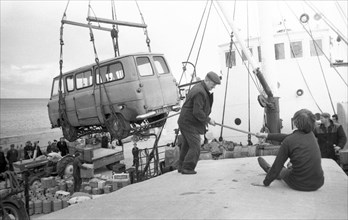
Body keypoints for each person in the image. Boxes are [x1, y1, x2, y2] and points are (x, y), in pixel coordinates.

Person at [254, 109, 324, 191]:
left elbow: (277, 165)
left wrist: (266, 183)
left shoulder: (289, 141)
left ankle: (269, 169)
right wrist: (266, 135)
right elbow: (288, 137)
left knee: (281, 170)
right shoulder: (311, 135)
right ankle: (290, 167)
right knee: (290, 164)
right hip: (318, 183)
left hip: (299, 184)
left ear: (295, 123)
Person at [177, 71, 221, 174]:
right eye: (213, 84)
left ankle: (181, 167)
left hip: (185, 121)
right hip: (188, 123)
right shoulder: (200, 92)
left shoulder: (199, 88)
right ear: (207, 80)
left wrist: (207, 119)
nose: (213, 87)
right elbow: (197, 111)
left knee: (187, 145)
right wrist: (208, 120)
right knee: (195, 146)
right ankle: (188, 168)